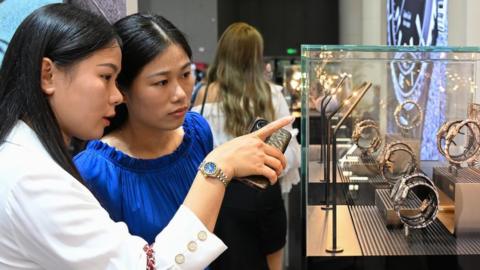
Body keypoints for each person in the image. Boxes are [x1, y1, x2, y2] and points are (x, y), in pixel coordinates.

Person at [0, 4, 292, 269]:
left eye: (186, 74)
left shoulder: (195, 130)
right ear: (48, 75)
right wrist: (215, 169)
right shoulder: (41, 178)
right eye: (105, 77)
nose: (114, 95)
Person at [74, 13, 214, 245]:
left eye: (186, 74)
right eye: (161, 82)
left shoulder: (198, 132)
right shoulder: (96, 171)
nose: (180, 94)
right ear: (122, 89)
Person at [191, 22, 301, 270]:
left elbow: (197, 154)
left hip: (218, 199)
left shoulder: (202, 95)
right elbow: (292, 156)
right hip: (264, 199)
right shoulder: (271, 95)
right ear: (255, 56)